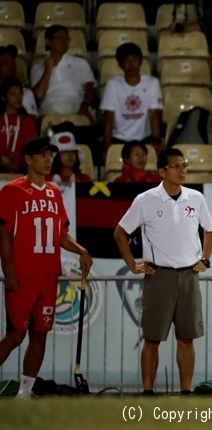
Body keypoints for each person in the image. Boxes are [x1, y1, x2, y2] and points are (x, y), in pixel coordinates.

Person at [114, 148, 212, 396]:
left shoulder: (196, 198)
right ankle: (147, 392)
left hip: (189, 275)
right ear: (162, 171)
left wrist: (205, 259)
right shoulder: (146, 200)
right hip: (159, 275)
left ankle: (185, 392)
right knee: (152, 338)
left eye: (184, 166)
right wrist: (132, 264)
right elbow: (120, 233)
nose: (182, 171)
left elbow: (210, 229)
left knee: (187, 338)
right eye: (176, 166)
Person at [0, 137, 93, 399]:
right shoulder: (11, 190)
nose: (49, 159)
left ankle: (25, 394)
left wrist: (82, 250)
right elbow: (3, 234)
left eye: (51, 155)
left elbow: (62, 235)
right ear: (28, 159)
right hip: (23, 273)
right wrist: (9, 272)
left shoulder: (54, 192)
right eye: (42, 155)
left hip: (48, 274)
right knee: (15, 335)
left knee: (40, 333)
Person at [100, 43, 163, 156]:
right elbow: (108, 118)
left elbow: (154, 115)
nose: (131, 65)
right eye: (126, 61)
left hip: (144, 139)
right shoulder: (113, 85)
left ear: (141, 62)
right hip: (118, 140)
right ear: (120, 65)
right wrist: (107, 147)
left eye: (134, 60)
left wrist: (156, 140)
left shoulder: (152, 83)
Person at [30, 25, 96, 120]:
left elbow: (90, 88)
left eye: (66, 38)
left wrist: (84, 106)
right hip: (50, 106)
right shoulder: (38, 67)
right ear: (48, 41)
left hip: (76, 104)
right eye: (60, 37)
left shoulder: (80, 63)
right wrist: (48, 69)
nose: (64, 41)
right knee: (42, 121)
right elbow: (39, 95)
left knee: (87, 121)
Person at [0, 77, 37, 173]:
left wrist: (20, 163)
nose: (18, 98)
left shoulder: (27, 120)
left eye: (20, 93)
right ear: (3, 97)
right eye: (13, 94)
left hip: (21, 167)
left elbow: (32, 147)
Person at [0, 45, 37, 116]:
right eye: (5, 63)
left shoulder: (25, 92)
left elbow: (31, 122)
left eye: (13, 62)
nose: (11, 66)